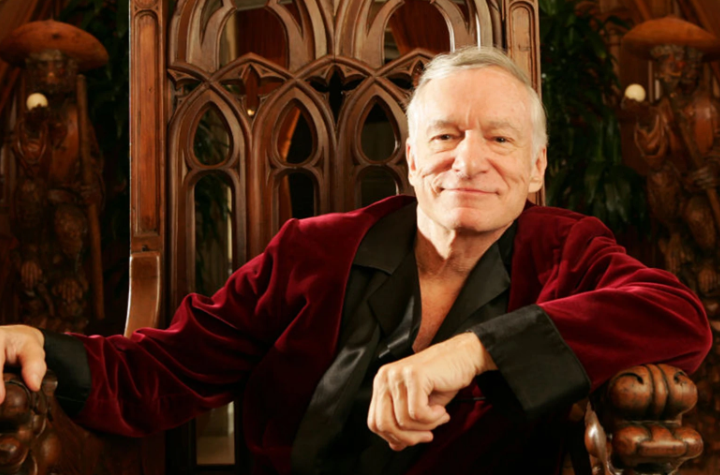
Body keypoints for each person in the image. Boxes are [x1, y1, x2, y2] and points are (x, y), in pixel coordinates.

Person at [0, 46, 712, 474]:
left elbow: (678, 317)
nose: (469, 161)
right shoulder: (312, 250)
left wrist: (474, 351)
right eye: (445, 136)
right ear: (411, 159)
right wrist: (40, 344)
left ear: (536, 167)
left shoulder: (568, 250)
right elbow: (168, 367)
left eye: (500, 139)